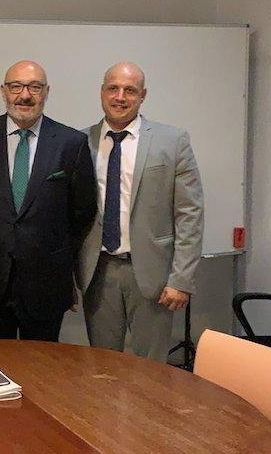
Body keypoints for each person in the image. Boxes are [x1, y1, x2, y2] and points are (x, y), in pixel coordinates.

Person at [0, 60, 97, 342]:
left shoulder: (71, 143)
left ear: (46, 92)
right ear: (3, 91)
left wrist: (62, 264)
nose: (25, 95)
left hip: (46, 283)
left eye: (34, 87)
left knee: (44, 368)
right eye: (16, 87)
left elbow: (82, 210)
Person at [78, 62, 204, 362]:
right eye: (113, 88)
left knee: (152, 370)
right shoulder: (80, 142)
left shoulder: (172, 141)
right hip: (98, 273)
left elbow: (190, 213)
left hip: (153, 275)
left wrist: (181, 279)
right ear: (102, 92)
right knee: (103, 366)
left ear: (143, 95)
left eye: (130, 90)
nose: (120, 97)